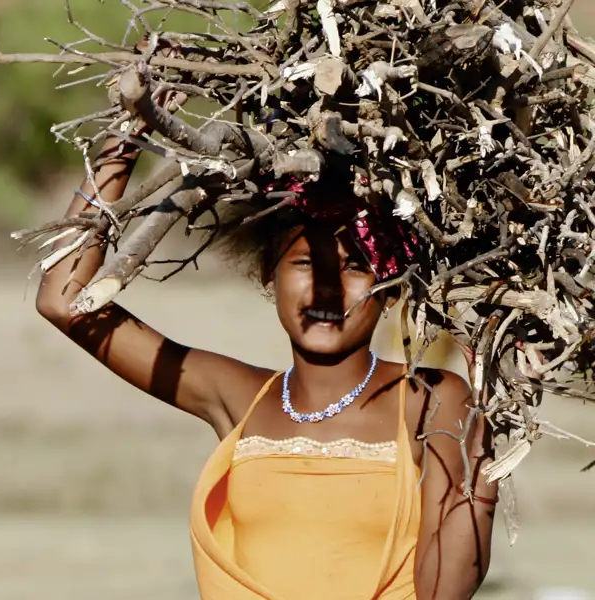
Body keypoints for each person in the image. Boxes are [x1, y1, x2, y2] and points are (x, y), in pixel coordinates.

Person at [35, 116, 498, 599]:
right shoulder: (239, 397)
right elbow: (63, 302)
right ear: (267, 273)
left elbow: (445, 591)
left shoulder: (430, 399)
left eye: (355, 267)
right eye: (304, 262)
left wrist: (485, 458)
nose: (326, 286)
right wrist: (124, 137)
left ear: (390, 290)